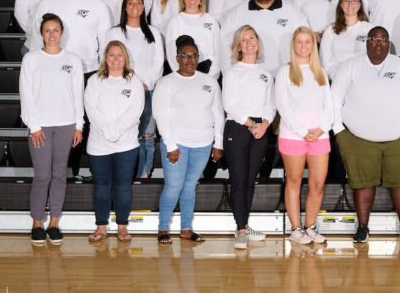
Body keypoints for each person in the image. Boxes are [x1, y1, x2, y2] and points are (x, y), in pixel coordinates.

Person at [331, 27, 400, 244]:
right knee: (363, 184)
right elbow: (334, 99)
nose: (378, 43)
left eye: (383, 39)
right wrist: (338, 130)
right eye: (374, 38)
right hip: (358, 139)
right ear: (366, 42)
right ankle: (362, 227)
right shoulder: (350, 67)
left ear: (389, 43)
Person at [19, 13, 84, 245]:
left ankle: (54, 223)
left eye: (56, 30)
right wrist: (34, 125)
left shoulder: (74, 61)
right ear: (41, 34)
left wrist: (79, 124)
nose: (52, 34)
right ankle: (37, 223)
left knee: (59, 175)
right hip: (41, 127)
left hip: (66, 125)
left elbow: (78, 94)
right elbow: (26, 93)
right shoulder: (32, 60)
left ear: (62, 32)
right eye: (47, 30)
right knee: (42, 176)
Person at [152, 35, 224, 244]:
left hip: (203, 144)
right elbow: (161, 115)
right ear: (177, 58)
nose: (190, 61)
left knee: (190, 185)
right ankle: (163, 228)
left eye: (194, 56)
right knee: (174, 186)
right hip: (177, 145)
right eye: (185, 56)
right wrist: (171, 145)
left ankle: (186, 228)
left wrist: (218, 143)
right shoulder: (166, 83)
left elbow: (218, 113)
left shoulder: (209, 82)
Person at [275, 26, 333, 245]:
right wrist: (301, 131)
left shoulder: (320, 72)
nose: (303, 46)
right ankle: (296, 229)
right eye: (299, 42)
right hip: (293, 135)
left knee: (317, 184)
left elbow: (329, 104)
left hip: (319, 135)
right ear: (293, 45)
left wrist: (322, 127)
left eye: (307, 42)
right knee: (294, 181)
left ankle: (310, 227)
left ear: (313, 45)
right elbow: (283, 105)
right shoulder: (285, 71)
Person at [84, 40, 145, 242]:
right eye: (111, 55)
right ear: (105, 58)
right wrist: (109, 132)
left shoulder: (134, 81)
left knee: (123, 186)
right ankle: (101, 227)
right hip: (99, 143)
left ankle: (122, 227)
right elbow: (91, 110)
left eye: (120, 55)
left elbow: (135, 111)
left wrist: (116, 131)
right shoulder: (94, 80)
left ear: (125, 58)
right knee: (101, 186)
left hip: (126, 144)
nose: (116, 59)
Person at [222, 25, 276, 249]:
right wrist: (253, 124)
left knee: (250, 181)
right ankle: (240, 230)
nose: (249, 42)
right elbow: (230, 105)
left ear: (257, 42)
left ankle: (244, 222)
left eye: (252, 37)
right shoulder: (232, 72)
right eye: (244, 39)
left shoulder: (266, 74)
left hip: (260, 130)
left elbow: (271, 105)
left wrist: (264, 124)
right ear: (238, 46)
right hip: (238, 128)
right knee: (239, 180)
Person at [105, 0, 164, 178]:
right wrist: (132, 84)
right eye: (130, 3)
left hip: (149, 91)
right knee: (124, 134)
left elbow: (158, 62)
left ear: (144, 7)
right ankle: (124, 175)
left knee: (147, 137)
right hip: (122, 92)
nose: (135, 6)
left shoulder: (153, 32)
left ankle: (144, 174)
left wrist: (146, 84)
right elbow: (109, 61)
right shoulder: (114, 32)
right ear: (125, 7)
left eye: (139, 2)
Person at [29, 0, 113, 75]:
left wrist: (105, 68)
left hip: (88, 70)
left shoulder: (98, 5)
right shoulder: (47, 3)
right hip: (54, 68)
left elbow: (105, 41)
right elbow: (36, 39)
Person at [221, 0, 310, 75]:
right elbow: (223, 43)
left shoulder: (292, 11)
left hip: (285, 77)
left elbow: (308, 43)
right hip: (251, 79)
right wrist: (230, 73)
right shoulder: (238, 13)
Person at [165, 0, 222, 79]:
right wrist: (182, 76)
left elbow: (218, 51)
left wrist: (211, 77)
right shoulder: (175, 22)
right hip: (183, 74)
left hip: (208, 73)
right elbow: (171, 54)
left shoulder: (210, 20)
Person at [319, 0, 374, 80]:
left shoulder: (370, 29)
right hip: (337, 80)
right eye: (346, 1)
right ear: (341, 5)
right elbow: (325, 61)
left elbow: (375, 58)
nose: (350, 4)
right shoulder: (330, 30)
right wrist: (338, 78)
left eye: (354, 1)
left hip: (363, 79)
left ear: (360, 5)